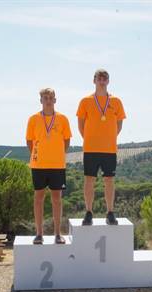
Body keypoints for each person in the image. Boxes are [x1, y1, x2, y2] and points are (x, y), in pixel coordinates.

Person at [76, 69, 126, 225]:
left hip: (109, 148)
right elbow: (81, 125)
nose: (102, 81)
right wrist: (90, 139)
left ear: (108, 81)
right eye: (99, 78)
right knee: (89, 179)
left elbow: (119, 124)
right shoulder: (85, 101)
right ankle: (89, 212)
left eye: (105, 78)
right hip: (91, 148)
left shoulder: (116, 101)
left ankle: (110, 212)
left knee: (109, 180)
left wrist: (109, 138)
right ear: (94, 80)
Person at [26, 88, 72, 244]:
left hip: (57, 165)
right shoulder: (33, 119)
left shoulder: (63, 119)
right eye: (45, 97)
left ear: (55, 100)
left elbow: (66, 141)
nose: (48, 100)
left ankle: (58, 234)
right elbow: (29, 141)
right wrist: (38, 155)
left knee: (57, 199)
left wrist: (57, 154)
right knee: (38, 198)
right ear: (41, 100)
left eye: (51, 97)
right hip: (38, 165)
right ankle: (39, 234)